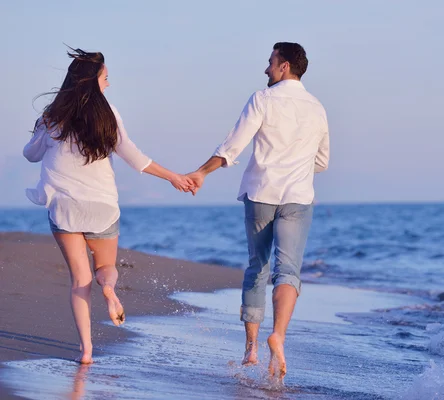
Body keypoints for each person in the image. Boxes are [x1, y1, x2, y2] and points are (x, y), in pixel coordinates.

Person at [23, 48, 193, 364]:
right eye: (106, 78)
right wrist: (173, 177)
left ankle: (86, 351)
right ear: (91, 82)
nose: (109, 84)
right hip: (102, 208)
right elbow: (134, 157)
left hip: (64, 208)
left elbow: (30, 155)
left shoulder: (51, 117)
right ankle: (110, 289)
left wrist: (39, 131)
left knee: (79, 280)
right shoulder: (108, 114)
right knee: (105, 269)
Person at [187, 42, 330, 380]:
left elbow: (233, 146)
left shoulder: (262, 99)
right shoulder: (317, 107)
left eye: (270, 62)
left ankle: (250, 349)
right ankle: (277, 335)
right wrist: (296, 165)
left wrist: (201, 172)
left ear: (284, 67)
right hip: (298, 195)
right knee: (289, 271)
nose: (266, 69)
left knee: (258, 267)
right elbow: (322, 162)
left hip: (262, 193)